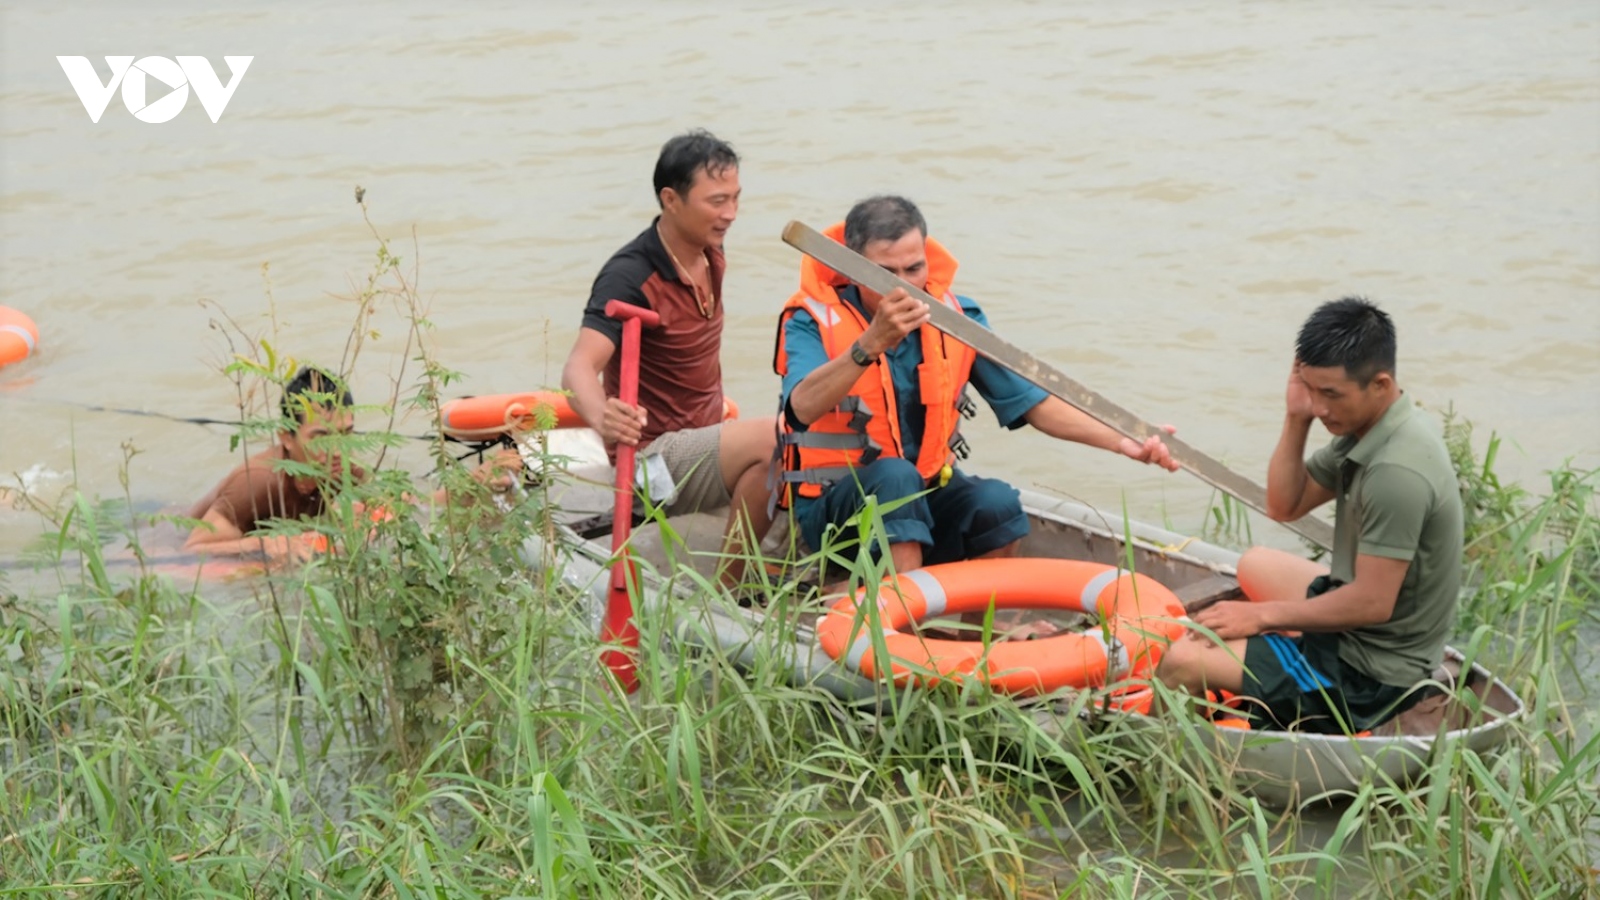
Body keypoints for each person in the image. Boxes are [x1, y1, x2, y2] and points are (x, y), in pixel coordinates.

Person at [772, 195, 1179, 577]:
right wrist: (870, 344)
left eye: (914, 268)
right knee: (895, 480)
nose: (903, 287)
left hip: (921, 499)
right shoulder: (810, 320)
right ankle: (907, 634)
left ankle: (965, 630)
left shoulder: (955, 317)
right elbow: (800, 409)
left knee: (997, 505)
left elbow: (1034, 404)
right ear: (854, 268)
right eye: (884, 273)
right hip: (832, 513)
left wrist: (1124, 441)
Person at [1156, 298, 1463, 734]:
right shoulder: (1378, 424)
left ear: (1379, 383)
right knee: (1256, 562)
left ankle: (1158, 763)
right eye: (1311, 390)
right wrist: (1295, 417)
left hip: (1371, 672)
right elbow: (1286, 505)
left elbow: (1374, 604)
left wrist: (1262, 617)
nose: (1320, 408)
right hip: (1376, 622)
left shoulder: (1397, 471)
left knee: (1182, 660)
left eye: (1331, 394)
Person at [561, 129, 777, 586]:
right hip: (649, 467)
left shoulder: (708, 248)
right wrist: (603, 419)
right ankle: (728, 593)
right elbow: (578, 367)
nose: (730, 214)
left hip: (700, 439)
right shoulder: (631, 275)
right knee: (773, 438)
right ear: (671, 199)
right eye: (716, 201)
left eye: (736, 199)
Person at [185, 366, 519, 559]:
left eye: (346, 433)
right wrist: (269, 543)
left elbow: (412, 506)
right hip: (173, 535)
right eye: (321, 436)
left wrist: (474, 484)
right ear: (286, 438)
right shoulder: (258, 481)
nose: (337, 449)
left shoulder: (340, 468)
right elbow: (193, 549)